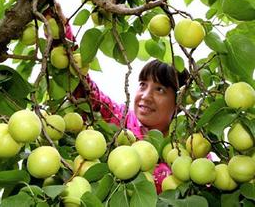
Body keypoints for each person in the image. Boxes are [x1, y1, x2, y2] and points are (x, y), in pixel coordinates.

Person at [74, 59, 189, 193]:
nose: (146, 96)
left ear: (179, 102)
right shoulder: (121, 119)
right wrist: (63, 43)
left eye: (160, 89)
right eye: (143, 85)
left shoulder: (186, 150)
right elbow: (87, 93)